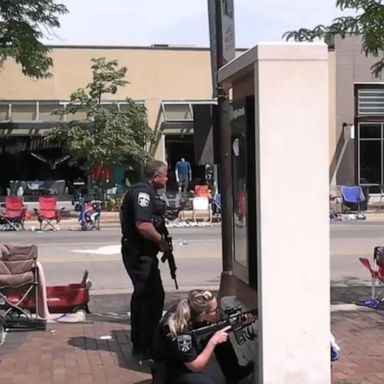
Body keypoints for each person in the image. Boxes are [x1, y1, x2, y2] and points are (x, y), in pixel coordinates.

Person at [120, 159, 170, 358]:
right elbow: (143, 225)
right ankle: (145, 344)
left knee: (144, 296)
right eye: (165, 175)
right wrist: (161, 242)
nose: (167, 178)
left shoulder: (145, 192)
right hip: (139, 253)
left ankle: (140, 343)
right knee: (152, 298)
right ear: (156, 177)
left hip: (141, 252)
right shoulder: (143, 193)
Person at [152, 289, 255, 384]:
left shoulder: (192, 309)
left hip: (182, 357)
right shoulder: (181, 330)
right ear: (202, 314)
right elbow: (196, 366)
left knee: (219, 332)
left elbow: (214, 328)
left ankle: (233, 374)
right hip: (169, 366)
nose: (218, 312)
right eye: (215, 310)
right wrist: (213, 342)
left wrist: (241, 321)